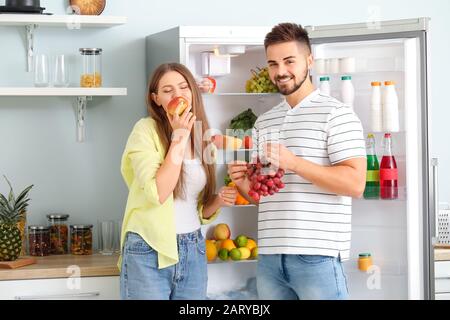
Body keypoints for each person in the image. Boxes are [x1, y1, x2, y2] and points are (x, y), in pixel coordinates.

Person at [228, 23, 367, 300]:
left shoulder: (337, 115)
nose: (280, 71)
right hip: (270, 258)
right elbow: (265, 198)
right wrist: (244, 183)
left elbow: (355, 184)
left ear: (309, 60)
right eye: (273, 63)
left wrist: (294, 163)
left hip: (318, 258)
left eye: (289, 61)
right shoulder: (265, 121)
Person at [119, 62, 237, 300]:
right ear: (156, 99)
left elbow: (195, 207)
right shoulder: (145, 131)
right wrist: (179, 137)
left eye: (184, 87)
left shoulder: (202, 136)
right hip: (148, 249)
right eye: (167, 90)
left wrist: (218, 200)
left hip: (193, 247)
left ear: (193, 92)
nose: (178, 95)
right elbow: (158, 193)